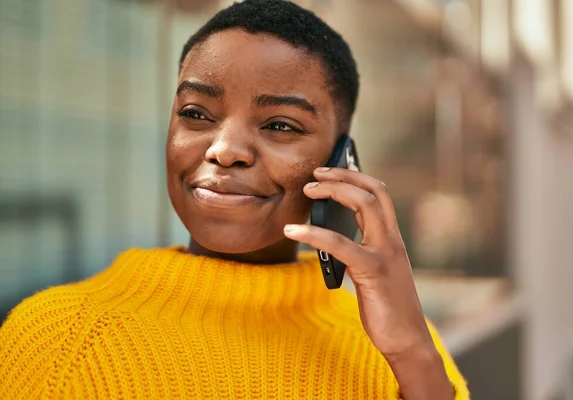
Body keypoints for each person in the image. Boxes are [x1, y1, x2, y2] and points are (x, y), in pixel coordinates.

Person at [0, 1, 469, 398]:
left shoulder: (401, 345)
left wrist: (412, 355)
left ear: (340, 161)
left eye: (280, 125)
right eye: (196, 113)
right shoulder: (59, 342)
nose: (224, 149)